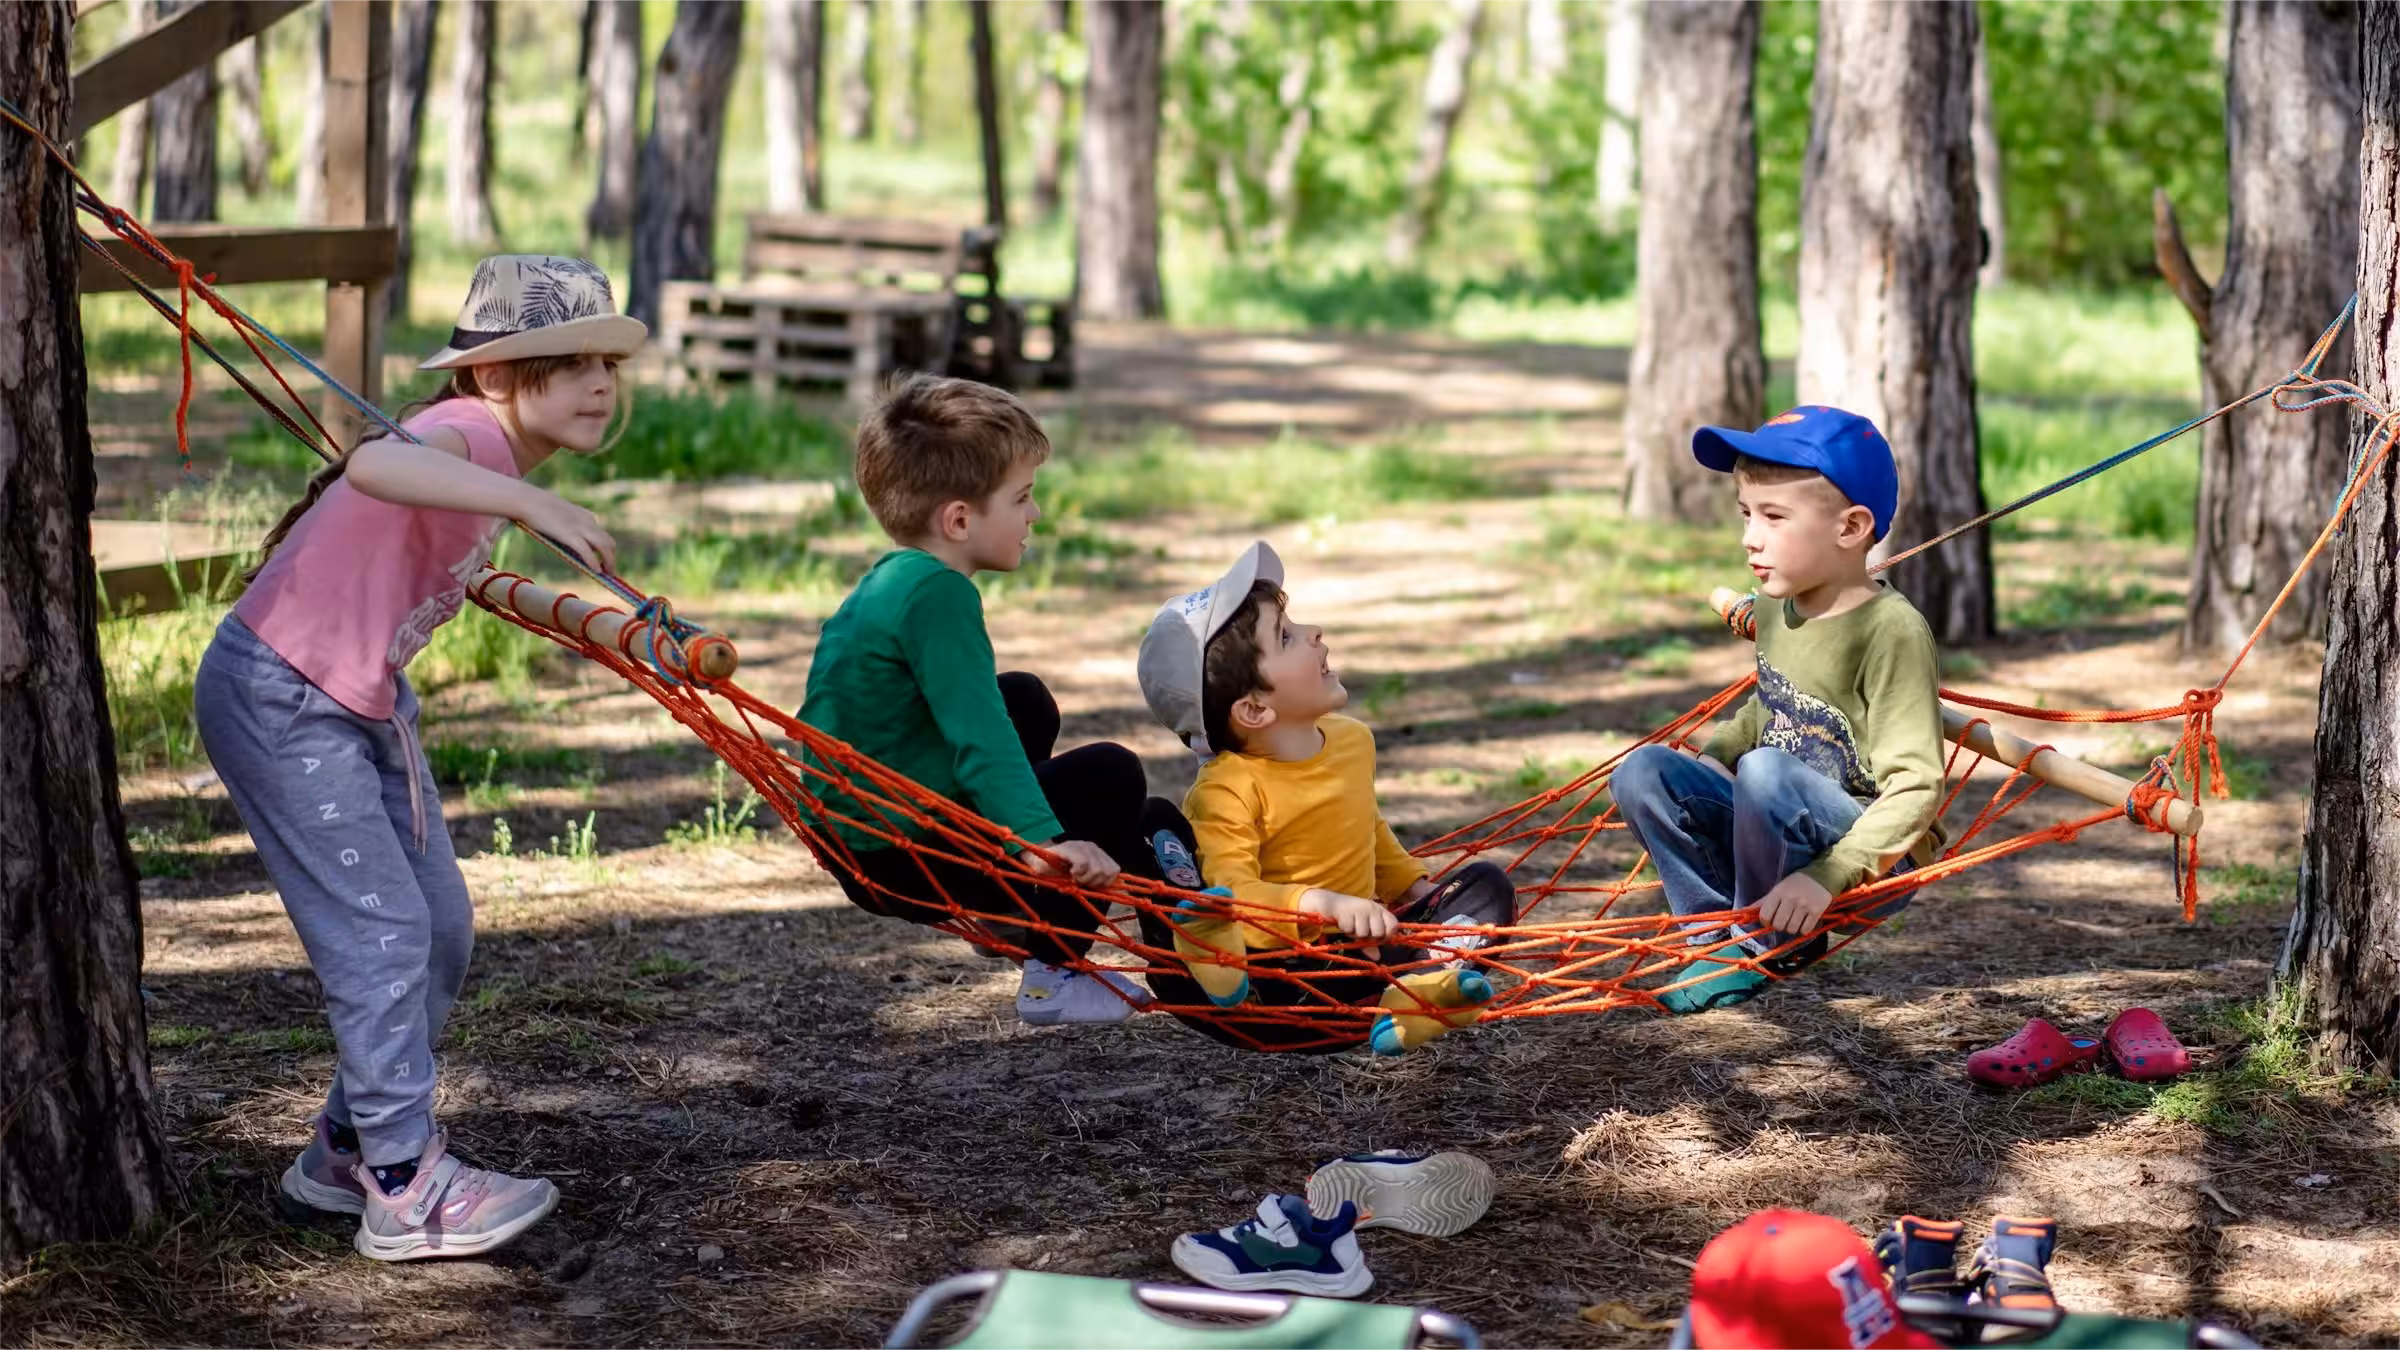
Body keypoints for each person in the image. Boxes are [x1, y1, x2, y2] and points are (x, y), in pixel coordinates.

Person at [198, 255, 640, 1260]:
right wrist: (530, 508)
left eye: (608, 362)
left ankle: (341, 1156)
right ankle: (403, 1185)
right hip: (284, 697)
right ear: (493, 376)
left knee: (436, 927)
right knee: (387, 933)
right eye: (570, 363)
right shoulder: (467, 432)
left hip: (357, 701)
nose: (603, 383)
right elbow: (376, 465)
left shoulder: (490, 452)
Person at [798, 374, 1154, 1026]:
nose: (1035, 514)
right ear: (959, 519)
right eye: (1021, 498)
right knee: (1112, 773)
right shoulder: (941, 597)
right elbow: (979, 735)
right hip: (901, 854)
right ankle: (1056, 968)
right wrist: (1043, 847)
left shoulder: (897, 577)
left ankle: (1007, 909)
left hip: (855, 832)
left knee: (1025, 697)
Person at [1609, 407, 1947, 1014]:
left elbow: (1916, 788)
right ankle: (1713, 940)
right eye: (1746, 514)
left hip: (1868, 862)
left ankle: (1763, 944)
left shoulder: (1892, 632)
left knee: (1765, 770)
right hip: (1775, 825)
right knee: (1642, 771)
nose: (1749, 537)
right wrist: (1710, 764)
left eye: (1773, 517)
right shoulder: (1777, 606)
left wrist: (1828, 875)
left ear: (1851, 528)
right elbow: (1769, 704)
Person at [1134, 541, 1514, 1055]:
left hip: (1369, 959)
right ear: (1253, 710)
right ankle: (1410, 990)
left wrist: (1412, 887)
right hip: (1286, 985)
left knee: (1487, 886)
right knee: (1152, 823)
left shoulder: (1351, 741)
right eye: (1286, 637)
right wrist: (1322, 906)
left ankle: (1419, 991)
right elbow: (1234, 897)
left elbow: (1365, 826)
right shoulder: (1228, 789)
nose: (1314, 633)